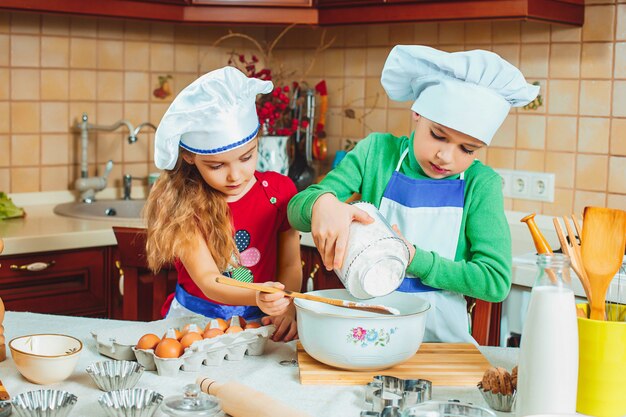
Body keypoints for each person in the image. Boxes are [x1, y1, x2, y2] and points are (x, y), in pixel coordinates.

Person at [287, 45, 540, 343]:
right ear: (418, 113)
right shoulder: (376, 153)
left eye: (467, 149)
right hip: (367, 334)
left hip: (441, 343)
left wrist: (414, 258)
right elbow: (295, 211)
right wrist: (322, 202)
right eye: (438, 135)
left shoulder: (480, 184)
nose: (446, 156)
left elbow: (495, 282)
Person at [145, 66, 302, 342]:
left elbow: (289, 264)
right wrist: (258, 294)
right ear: (191, 158)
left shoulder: (278, 192)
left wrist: (285, 306)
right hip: (195, 324)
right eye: (217, 165)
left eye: (246, 157)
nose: (235, 175)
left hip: (260, 322)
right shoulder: (183, 204)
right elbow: (208, 279)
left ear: (256, 142)